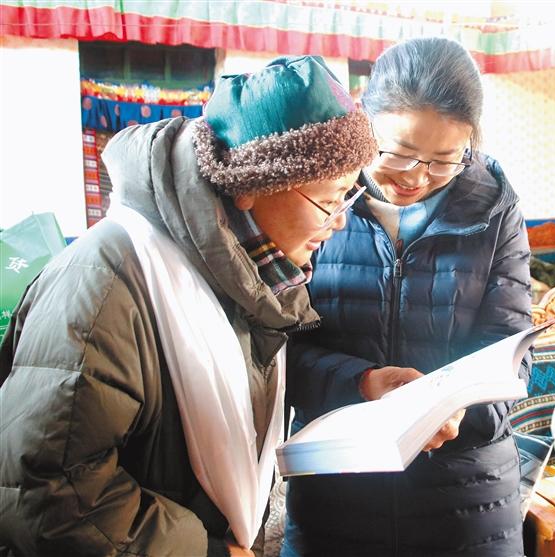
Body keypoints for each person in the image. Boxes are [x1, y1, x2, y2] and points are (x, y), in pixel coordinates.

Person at [0, 56, 377, 557]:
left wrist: (364, 384)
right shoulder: (104, 285)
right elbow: (44, 492)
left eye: (350, 196)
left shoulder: (253, 277)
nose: (340, 221)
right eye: (331, 199)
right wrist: (205, 551)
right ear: (252, 186)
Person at [281, 38, 533, 557]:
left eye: (443, 160)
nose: (416, 177)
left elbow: (513, 352)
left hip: (468, 497)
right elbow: (278, 350)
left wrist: (458, 410)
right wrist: (363, 383)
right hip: (336, 485)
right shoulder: (314, 199)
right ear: (364, 124)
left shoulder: (495, 208)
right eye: (397, 153)